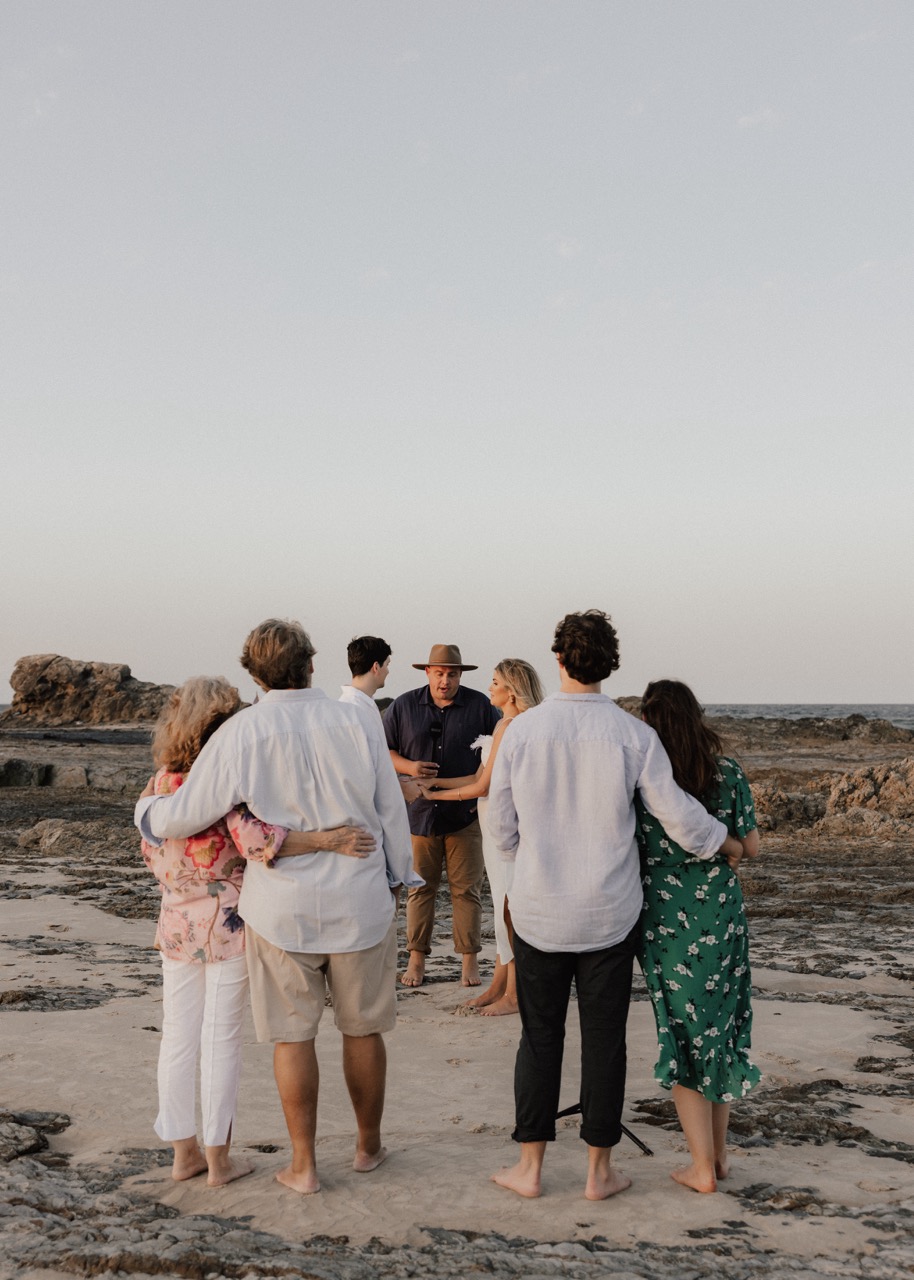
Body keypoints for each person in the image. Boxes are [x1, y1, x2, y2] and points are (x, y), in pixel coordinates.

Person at [136, 619, 421, 1196]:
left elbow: (187, 811)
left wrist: (147, 814)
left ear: (254, 673)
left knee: (294, 1037)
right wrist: (399, 875)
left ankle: (304, 1166)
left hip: (282, 908)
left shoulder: (243, 730)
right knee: (362, 1030)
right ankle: (368, 1148)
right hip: (359, 897)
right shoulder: (356, 717)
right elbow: (389, 806)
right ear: (312, 663)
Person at [486, 610, 745, 1201]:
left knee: (538, 1036)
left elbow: (501, 830)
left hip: (539, 909)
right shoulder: (634, 735)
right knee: (604, 1040)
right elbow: (677, 815)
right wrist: (726, 843)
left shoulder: (523, 733)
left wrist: (531, 859)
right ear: (610, 664)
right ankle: (599, 1172)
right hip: (609, 912)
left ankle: (529, 1169)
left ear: (557, 660)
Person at [636, 679, 761, 1194]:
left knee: (686, 1036)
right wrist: (727, 848)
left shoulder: (646, 779)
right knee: (720, 1033)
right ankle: (721, 1158)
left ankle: (702, 1168)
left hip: (667, 917)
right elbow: (752, 847)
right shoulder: (727, 772)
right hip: (722, 914)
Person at [419, 659, 544, 1015]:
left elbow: (482, 786)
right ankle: (498, 985)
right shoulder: (508, 723)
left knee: (509, 909)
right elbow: (477, 776)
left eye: (494, 682)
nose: (489, 688)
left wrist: (432, 796)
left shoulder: (510, 725)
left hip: (503, 829)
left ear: (511, 690)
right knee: (500, 900)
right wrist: (436, 782)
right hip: (492, 827)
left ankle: (515, 996)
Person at [384, 644, 500, 989]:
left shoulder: (481, 706)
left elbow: (495, 756)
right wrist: (410, 767)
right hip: (418, 816)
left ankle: (469, 962)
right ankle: (417, 960)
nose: (445, 680)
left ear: (461, 675)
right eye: (439, 673)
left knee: (468, 891)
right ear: (427, 673)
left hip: (465, 815)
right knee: (420, 890)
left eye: (452, 674)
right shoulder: (403, 705)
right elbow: (383, 749)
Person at [340, 636, 420, 805]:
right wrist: (400, 788)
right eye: (387, 664)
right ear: (376, 667)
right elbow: (356, 773)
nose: (388, 671)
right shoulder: (352, 712)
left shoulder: (364, 706)